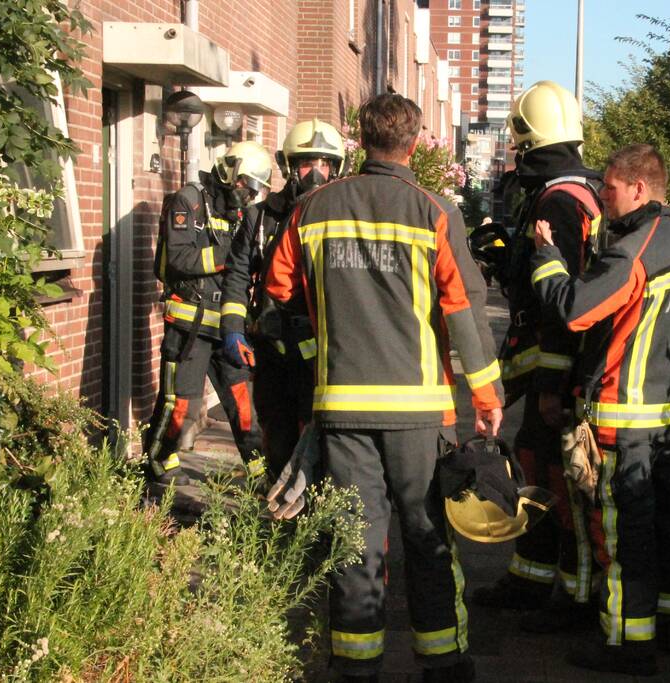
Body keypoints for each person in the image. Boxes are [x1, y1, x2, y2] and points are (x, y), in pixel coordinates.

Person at [264, 93, 503, 683]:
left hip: (342, 410)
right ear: (414, 144)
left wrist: (326, 322)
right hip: (420, 414)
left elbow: (278, 290)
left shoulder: (311, 209)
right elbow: (463, 310)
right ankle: (442, 664)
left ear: (360, 141)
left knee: (355, 541)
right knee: (427, 537)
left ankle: (355, 665)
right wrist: (487, 398)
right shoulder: (434, 211)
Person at [530, 144, 670, 676]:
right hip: (668, 423)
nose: (601, 197)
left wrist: (547, 258)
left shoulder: (632, 251)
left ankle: (628, 644)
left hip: (621, 424)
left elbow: (574, 310)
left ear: (639, 188)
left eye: (609, 187)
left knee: (622, 537)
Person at [473, 80, 603, 633]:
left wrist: (552, 387)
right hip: (555, 365)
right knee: (535, 465)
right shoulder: (574, 192)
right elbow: (539, 279)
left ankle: (574, 599)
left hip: (560, 370)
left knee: (559, 482)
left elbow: (563, 302)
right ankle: (530, 579)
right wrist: (507, 258)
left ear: (529, 143)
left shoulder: (560, 201)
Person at [219, 119, 345, 477]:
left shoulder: (342, 219)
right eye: (306, 163)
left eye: (324, 164)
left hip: (322, 351)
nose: (315, 173)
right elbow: (237, 274)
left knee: (322, 439)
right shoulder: (260, 218)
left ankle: (316, 508)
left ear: (336, 169)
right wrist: (233, 327)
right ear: (290, 166)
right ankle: (277, 499)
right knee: (276, 434)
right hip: (273, 345)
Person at [143, 140, 271, 486]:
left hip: (227, 326)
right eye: (245, 184)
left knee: (243, 402)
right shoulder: (189, 200)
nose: (248, 194)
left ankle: (261, 471)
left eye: (254, 190)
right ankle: (158, 461)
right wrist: (232, 254)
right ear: (230, 172)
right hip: (190, 324)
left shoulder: (241, 213)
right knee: (180, 404)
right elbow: (178, 258)